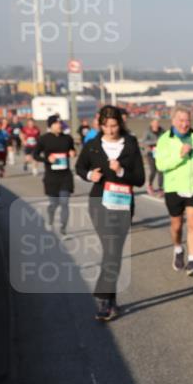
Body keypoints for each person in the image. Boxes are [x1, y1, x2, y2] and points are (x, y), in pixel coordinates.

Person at [75, 106, 145, 321]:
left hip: (123, 205)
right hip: (99, 203)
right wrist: (89, 175)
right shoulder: (93, 146)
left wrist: (121, 171)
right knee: (110, 249)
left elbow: (140, 178)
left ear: (120, 124)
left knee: (113, 252)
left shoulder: (131, 145)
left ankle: (110, 299)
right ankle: (105, 300)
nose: (111, 129)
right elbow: (79, 167)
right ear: (100, 125)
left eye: (115, 125)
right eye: (107, 126)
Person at [155, 106, 193, 276]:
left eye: (187, 121)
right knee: (176, 226)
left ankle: (192, 261)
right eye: (181, 121)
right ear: (173, 121)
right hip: (174, 188)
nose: (185, 124)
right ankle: (178, 248)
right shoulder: (164, 139)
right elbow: (160, 165)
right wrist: (180, 155)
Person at [33, 115, 76, 235]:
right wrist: (47, 159)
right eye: (57, 123)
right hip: (51, 177)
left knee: (64, 202)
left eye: (60, 123)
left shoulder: (68, 138)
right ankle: (50, 219)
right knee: (54, 204)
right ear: (50, 125)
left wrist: (73, 152)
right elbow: (35, 155)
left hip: (65, 176)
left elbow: (72, 149)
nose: (59, 125)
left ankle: (63, 230)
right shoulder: (44, 139)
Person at [142, 117, 165, 195]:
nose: (156, 125)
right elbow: (144, 141)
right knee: (153, 170)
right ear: (151, 124)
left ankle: (160, 188)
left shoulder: (162, 131)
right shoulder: (147, 132)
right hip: (150, 153)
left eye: (157, 123)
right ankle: (150, 185)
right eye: (154, 123)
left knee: (160, 170)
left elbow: (166, 139)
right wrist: (155, 142)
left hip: (160, 153)